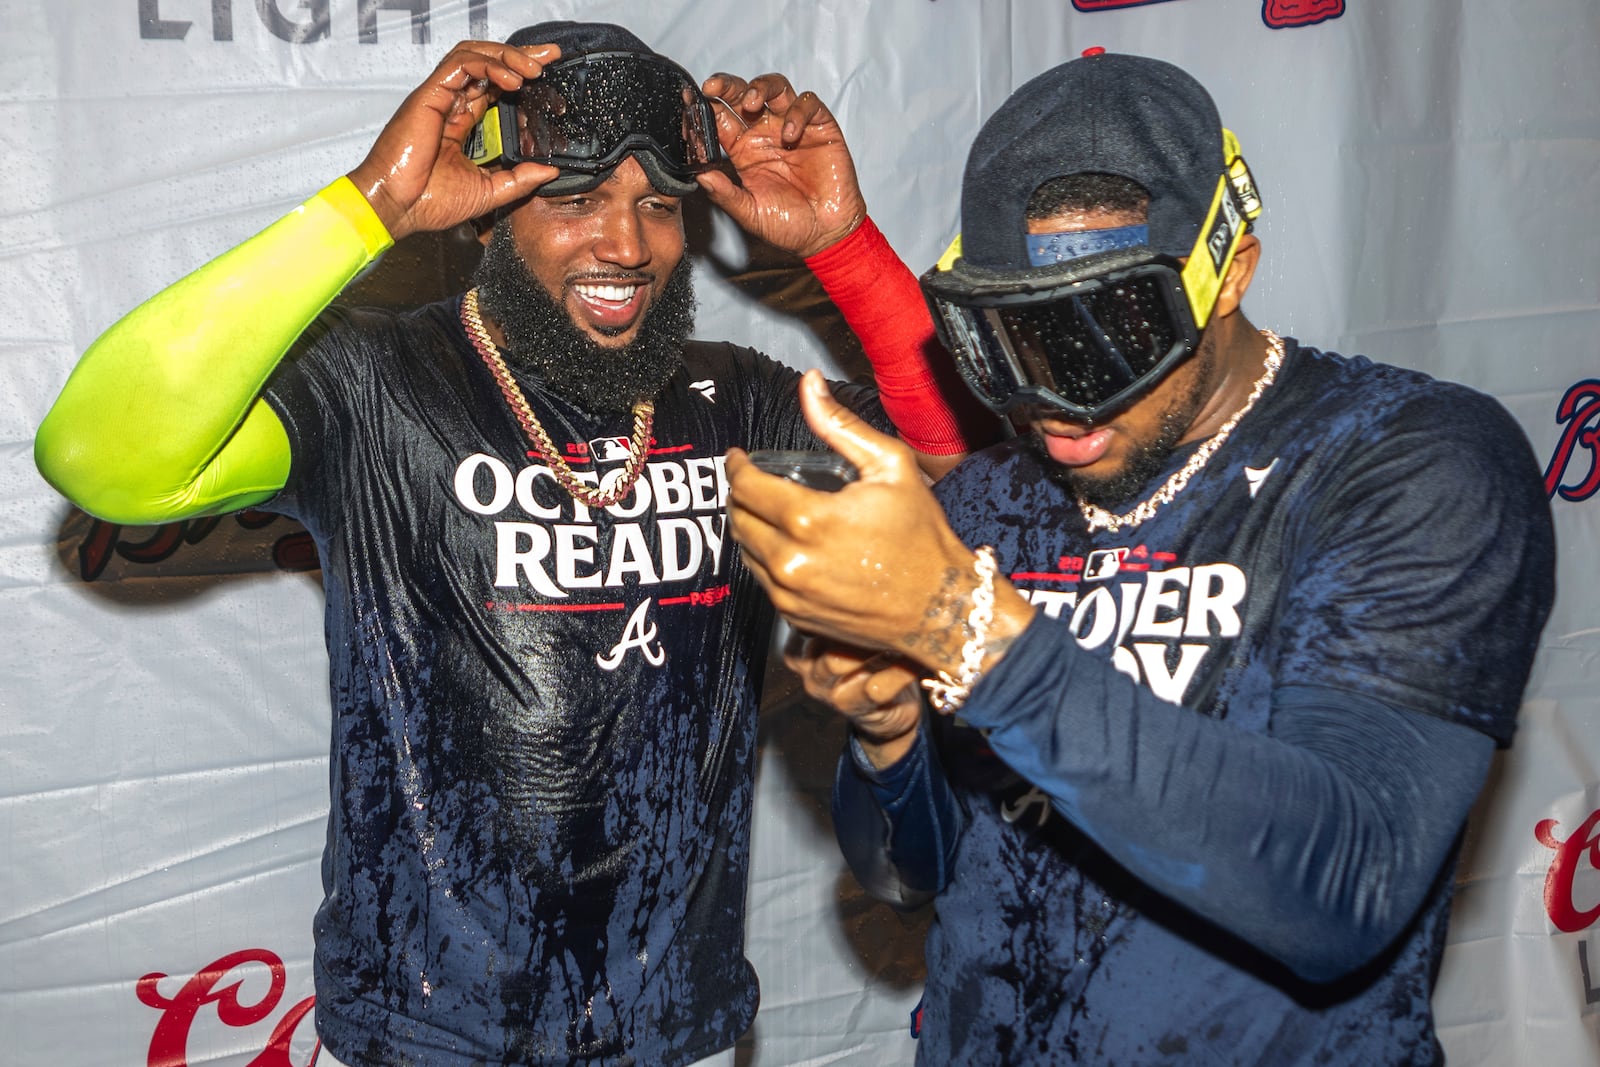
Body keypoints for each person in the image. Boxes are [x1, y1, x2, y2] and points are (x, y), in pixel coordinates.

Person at [34, 21, 987, 1067]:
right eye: (573, 199)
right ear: (486, 213)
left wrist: (844, 249)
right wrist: (372, 207)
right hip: (428, 1027)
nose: (626, 246)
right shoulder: (377, 385)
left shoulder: (736, 401)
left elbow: (960, 476)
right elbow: (107, 457)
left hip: (676, 1025)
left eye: (658, 205)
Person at [725, 50, 1555, 1065]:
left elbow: (1345, 886)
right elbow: (917, 876)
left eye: (1109, 341)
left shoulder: (1403, 460)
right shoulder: (990, 501)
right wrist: (888, 734)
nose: (1062, 410)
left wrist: (963, 625)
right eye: (1016, 347)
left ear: (1228, 270)